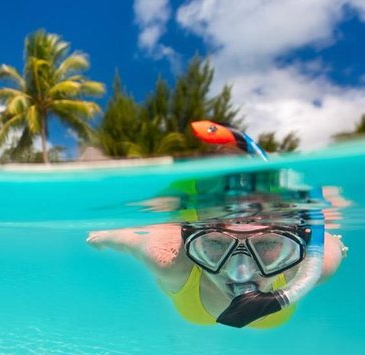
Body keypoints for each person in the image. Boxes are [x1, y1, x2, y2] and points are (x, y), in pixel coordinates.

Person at [87, 122, 348, 328]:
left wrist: (337, 245)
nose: (240, 273)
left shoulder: (316, 265)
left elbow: (329, 242)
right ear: (189, 237)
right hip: (195, 310)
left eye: (267, 244)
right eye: (214, 244)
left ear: (296, 241)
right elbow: (128, 239)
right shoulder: (168, 259)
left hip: (272, 317)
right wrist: (108, 236)